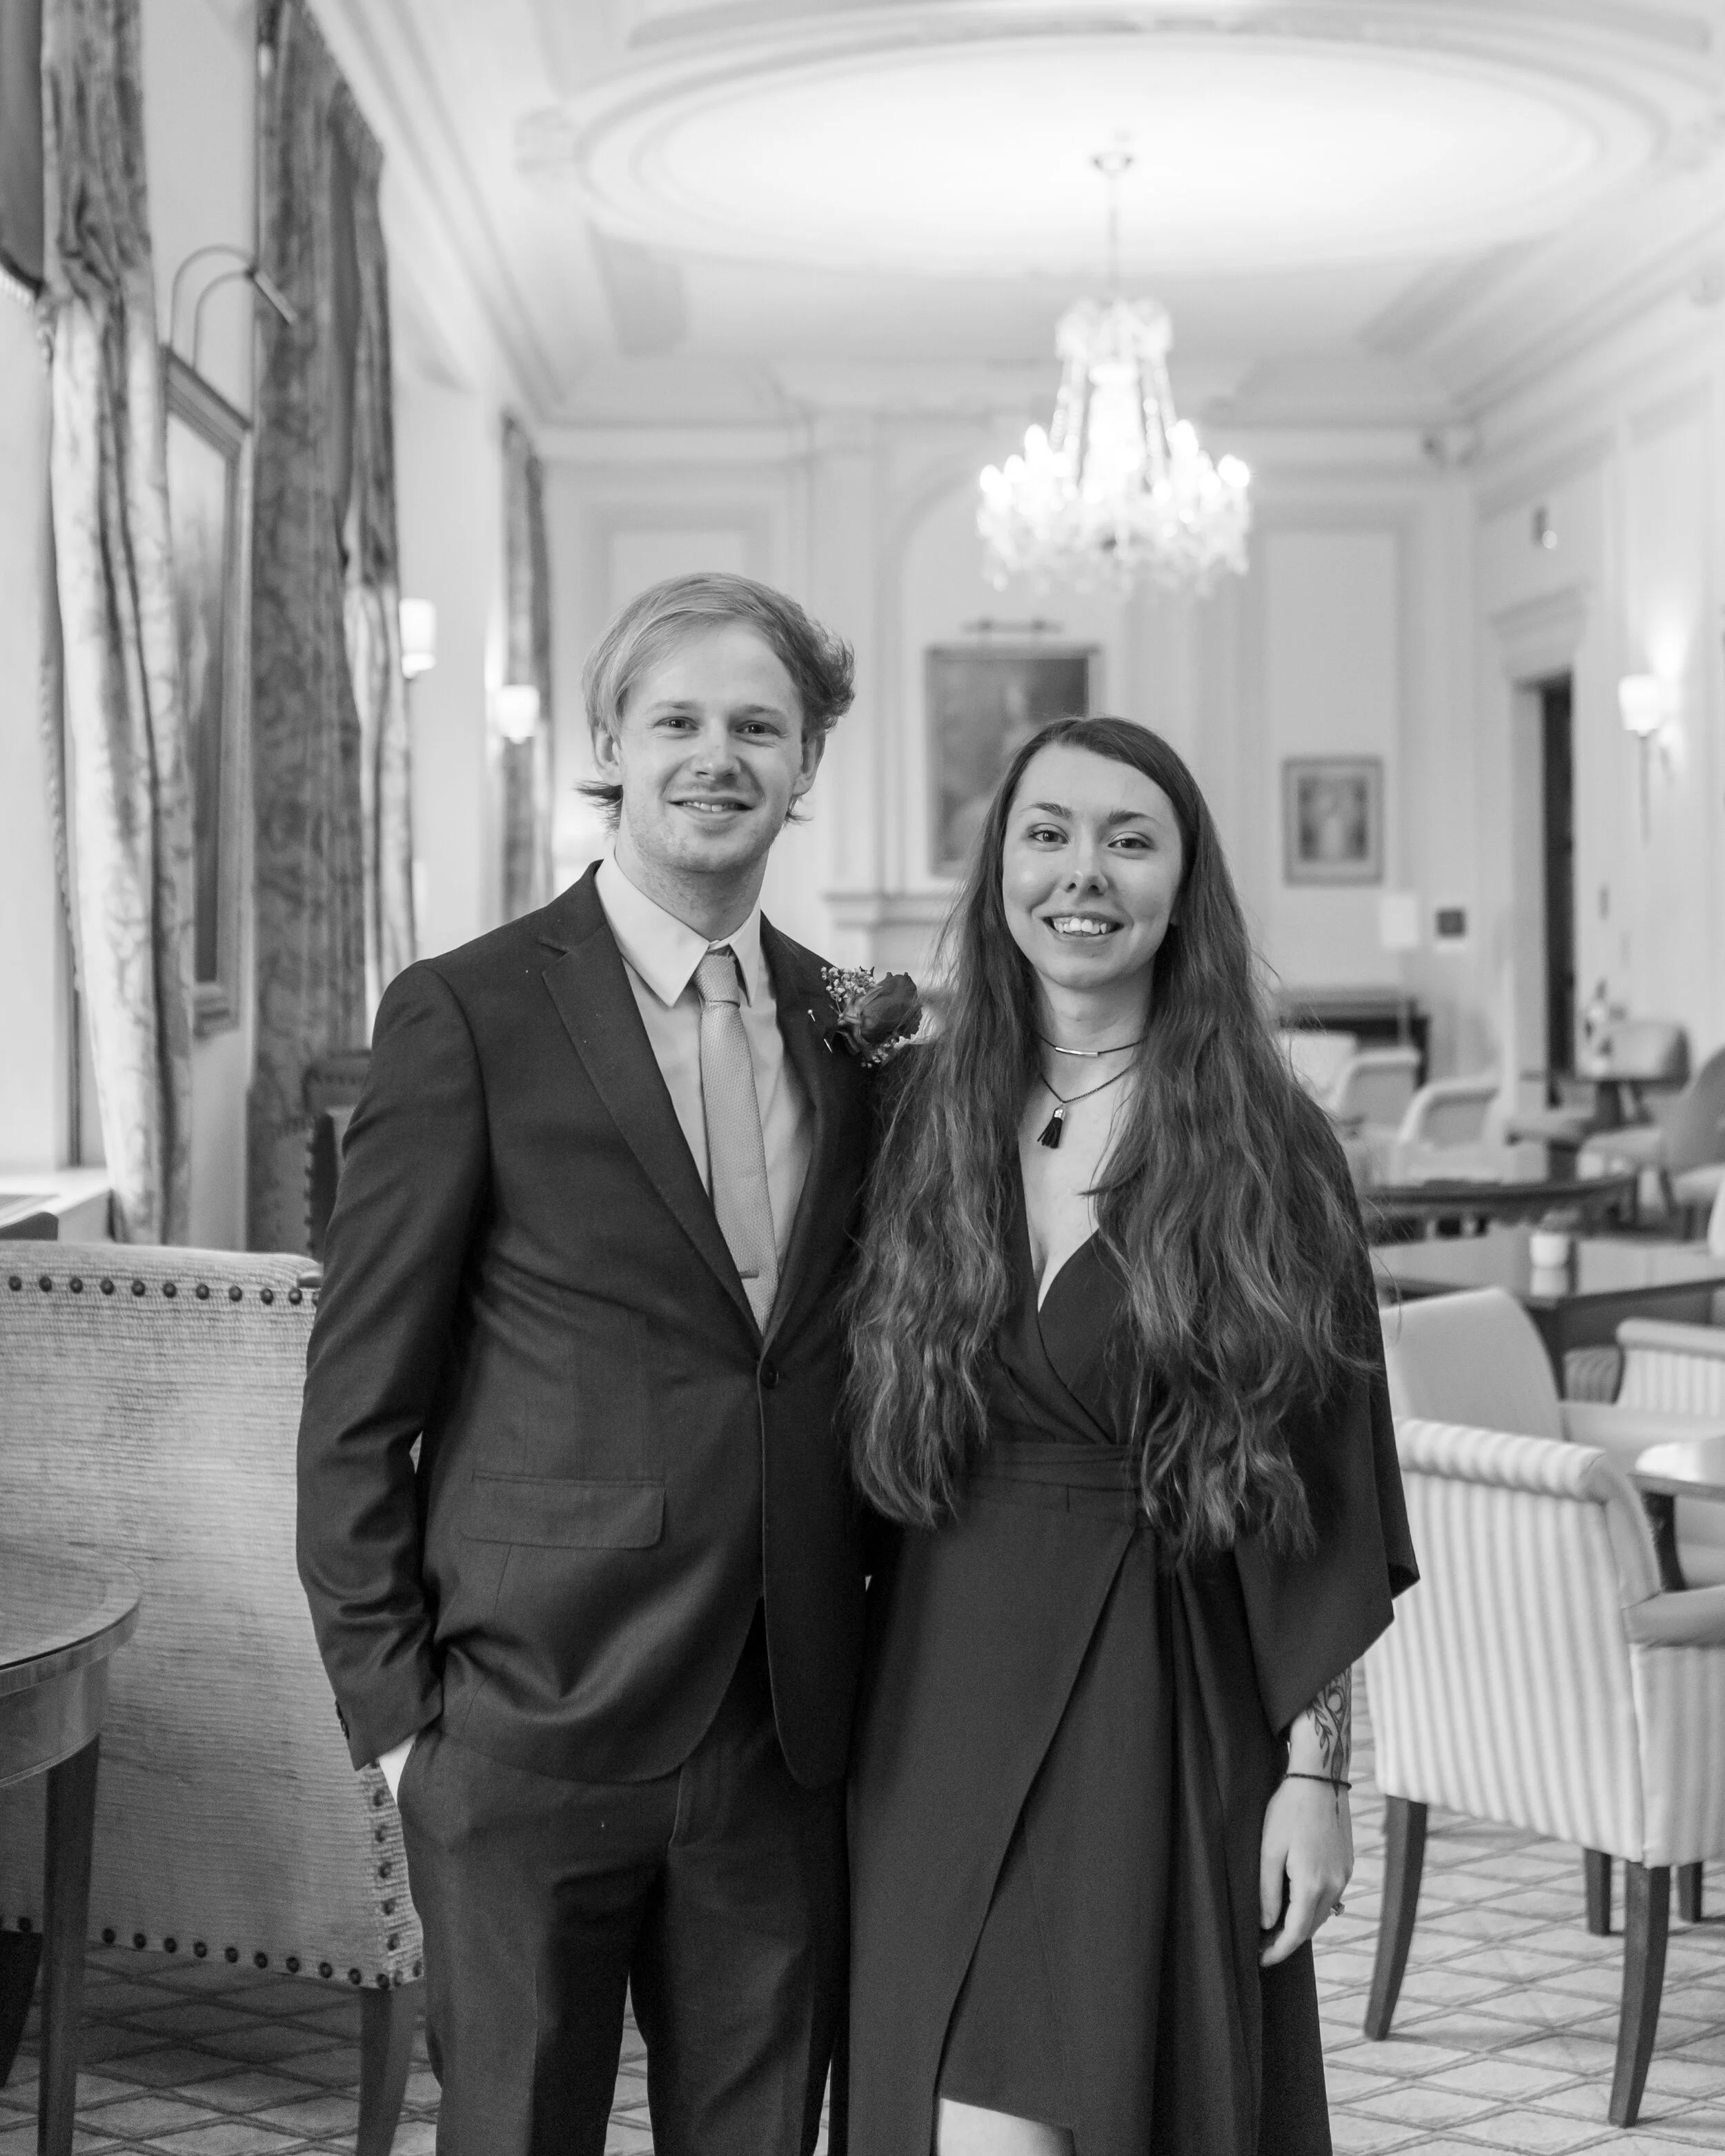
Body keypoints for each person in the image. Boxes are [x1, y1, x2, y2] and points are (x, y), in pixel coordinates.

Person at [296, 573, 874, 2156]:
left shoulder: (852, 1030)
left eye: (758, 725)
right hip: (524, 1718)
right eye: (676, 719)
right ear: (609, 742)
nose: (716, 754)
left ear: (806, 760)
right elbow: (357, 1405)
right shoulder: (467, 1012)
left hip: (784, 1724)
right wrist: (403, 1721)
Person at [844, 716, 1417, 2156]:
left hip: (1156, 1682)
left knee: (1095, 2096)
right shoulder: (918, 1111)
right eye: (1044, 832)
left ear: (1180, 882)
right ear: (997, 870)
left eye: (1127, 836)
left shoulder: (1265, 1144)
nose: (1080, 871)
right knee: (935, 2094)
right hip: (931, 1683)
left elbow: (1323, 1480)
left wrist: (1316, 1773)